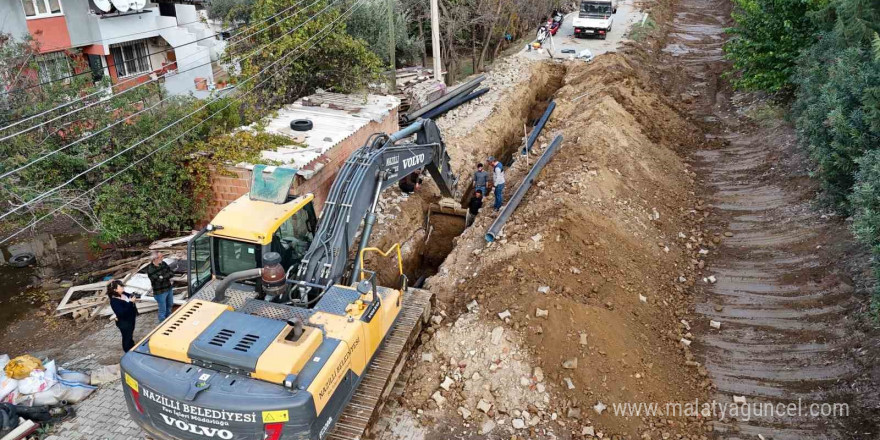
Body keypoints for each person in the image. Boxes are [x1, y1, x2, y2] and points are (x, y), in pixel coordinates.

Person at [107, 280, 138, 352]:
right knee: (126, 337)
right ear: (115, 290)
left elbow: (129, 295)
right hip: (124, 322)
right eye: (120, 286)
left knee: (130, 334)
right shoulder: (114, 301)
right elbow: (122, 313)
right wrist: (131, 302)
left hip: (131, 318)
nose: (123, 287)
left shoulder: (122, 293)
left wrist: (132, 296)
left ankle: (132, 345)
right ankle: (127, 351)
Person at [146, 251, 175, 322]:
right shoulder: (150, 269)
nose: (163, 258)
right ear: (155, 259)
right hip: (160, 293)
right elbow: (158, 281)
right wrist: (165, 276)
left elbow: (171, 273)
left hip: (168, 288)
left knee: (170, 305)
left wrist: (163, 277)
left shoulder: (163, 263)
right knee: (163, 310)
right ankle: (162, 323)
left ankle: (168, 320)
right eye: (161, 257)